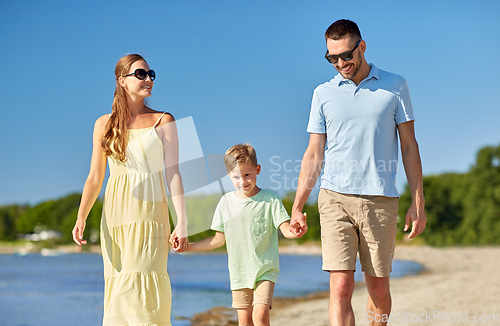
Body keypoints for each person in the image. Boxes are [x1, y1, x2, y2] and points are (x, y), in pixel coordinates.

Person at [289, 20, 426, 326]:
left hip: (380, 200)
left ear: (361, 47)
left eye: (346, 56)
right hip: (334, 197)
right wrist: (298, 205)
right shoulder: (322, 93)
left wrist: (418, 203)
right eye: (332, 58)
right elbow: (313, 153)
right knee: (340, 286)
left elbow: (409, 147)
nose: (340, 63)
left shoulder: (395, 85)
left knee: (378, 288)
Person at [71, 54, 189, 326]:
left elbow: (174, 174)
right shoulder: (104, 124)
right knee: (118, 288)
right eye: (140, 74)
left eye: (151, 75)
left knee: (142, 283)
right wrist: (81, 216)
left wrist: (181, 221)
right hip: (114, 218)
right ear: (122, 80)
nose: (148, 79)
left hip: (150, 214)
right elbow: (94, 177)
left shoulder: (164, 121)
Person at [177, 144, 298, 326]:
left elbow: (285, 228)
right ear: (228, 176)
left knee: (260, 315)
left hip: (265, 269)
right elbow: (218, 239)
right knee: (244, 320)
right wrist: (189, 247)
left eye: (247, 175)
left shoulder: (270, 199)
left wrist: (295, 231)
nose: (243, 181)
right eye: (236, 177)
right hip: (239, 272)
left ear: (257, 170)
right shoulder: (225, 202)